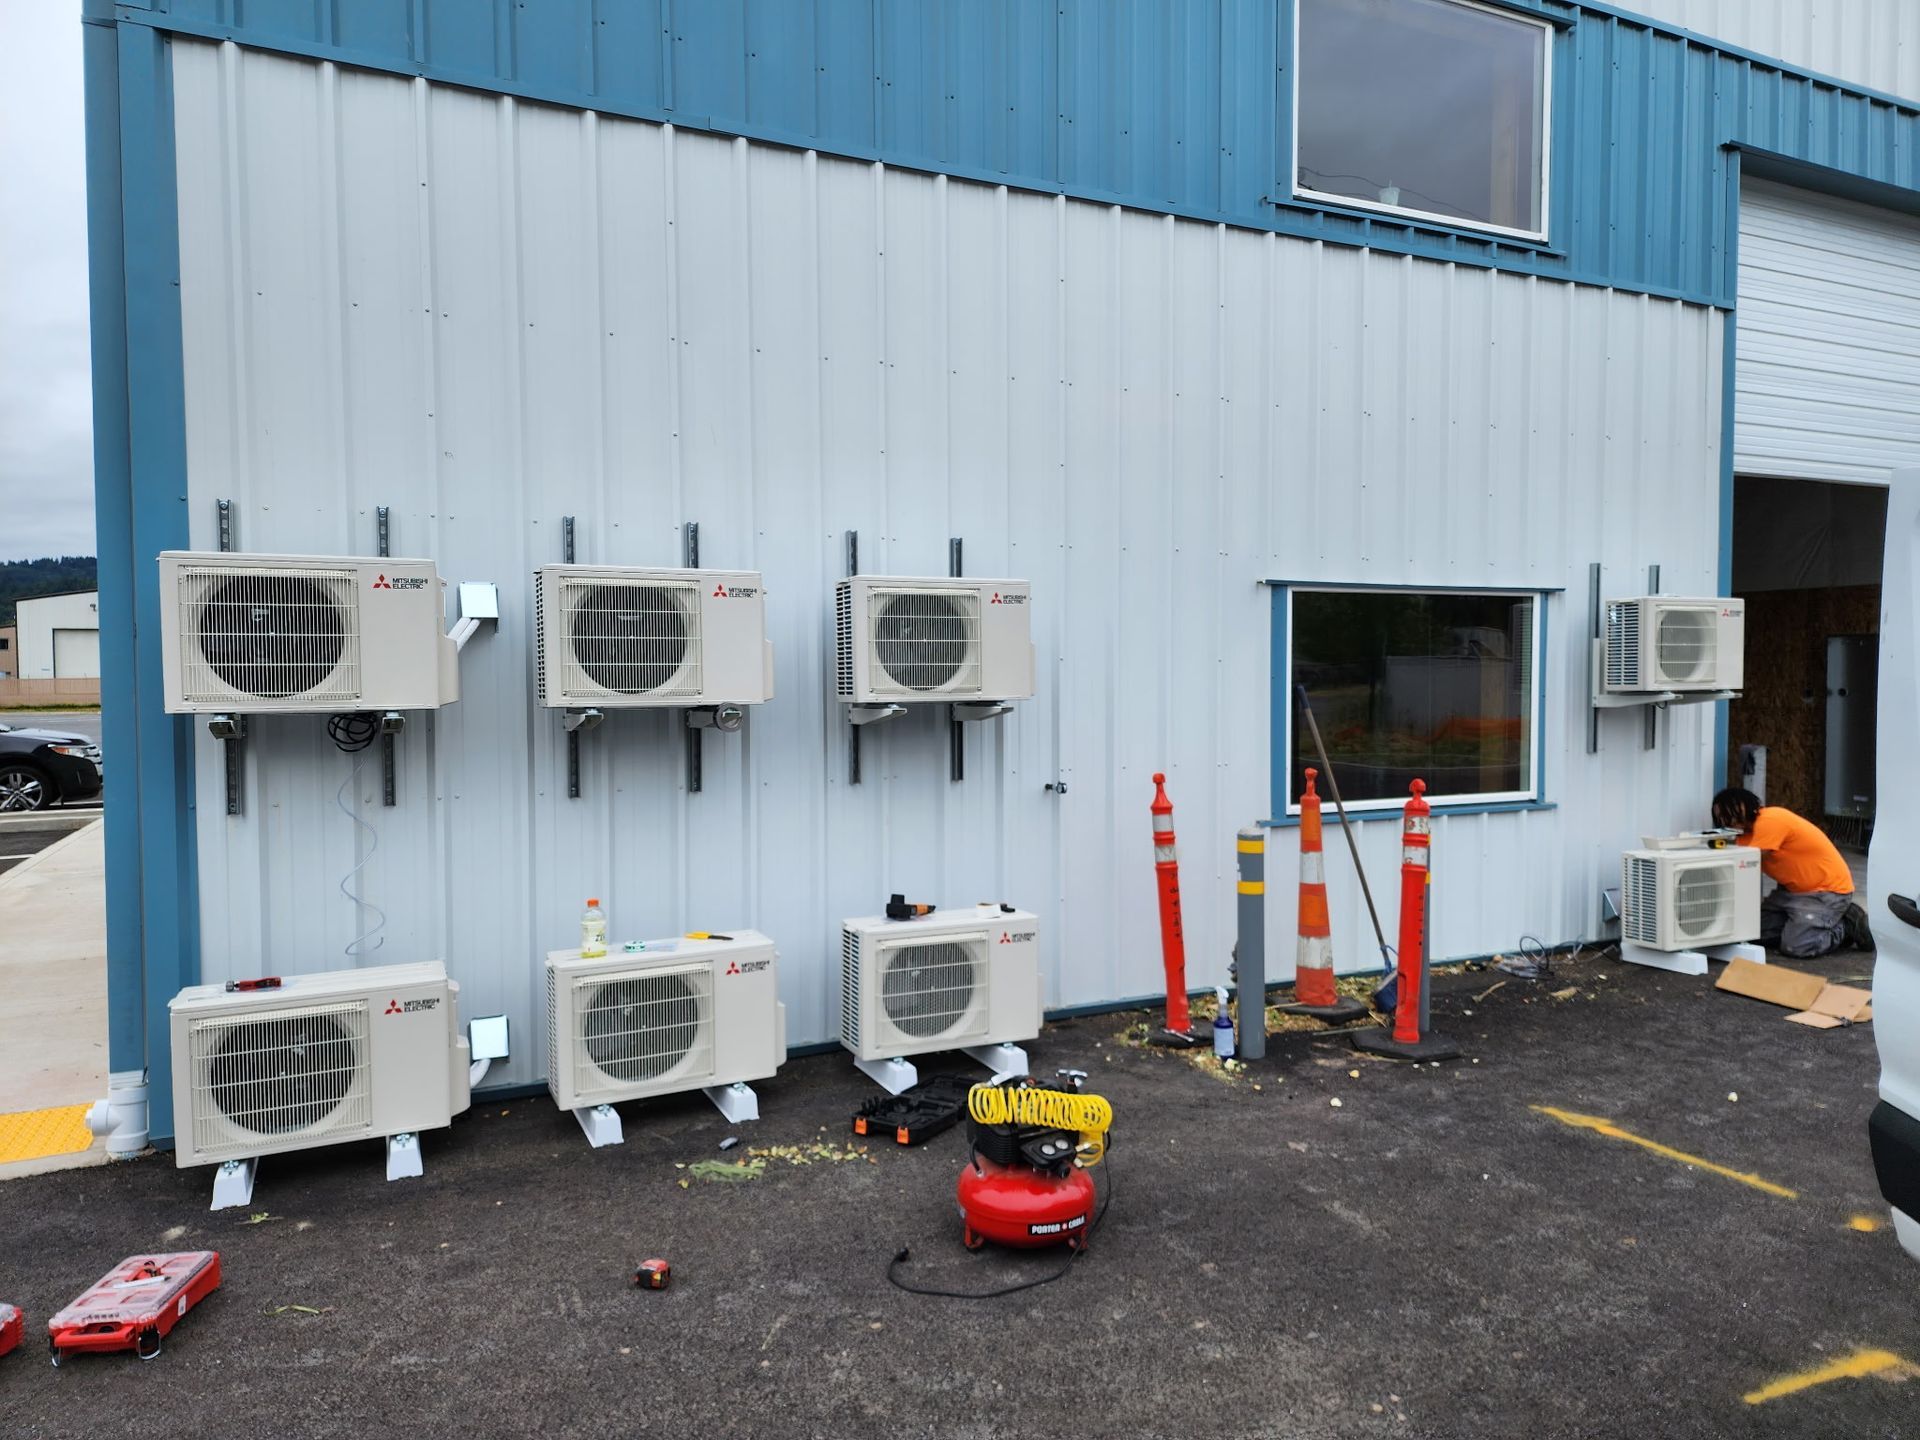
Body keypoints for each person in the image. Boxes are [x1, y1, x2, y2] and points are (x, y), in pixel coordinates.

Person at [1710, 788, 1871, 958]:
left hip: (1826, 892)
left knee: (1796, 946)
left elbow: (1748, 860)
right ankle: (1806, 925)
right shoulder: (1741, 836)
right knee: (1750, 933)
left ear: (1746, 805)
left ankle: (1845, 925)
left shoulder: (1770, 819)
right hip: (1790, 893)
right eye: (1720, 817)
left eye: (1729, 812)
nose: (1726, 820)